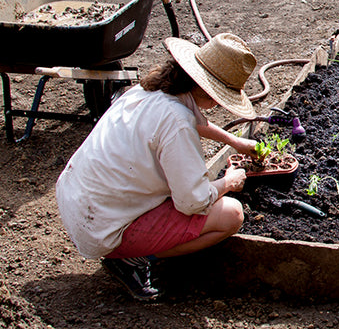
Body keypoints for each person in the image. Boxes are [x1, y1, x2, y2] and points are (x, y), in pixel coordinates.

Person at [56, 33, 261, 301]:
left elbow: (192, 121)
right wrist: (229, 182)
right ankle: (131, 259)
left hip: (78, 200)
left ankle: (132, 248)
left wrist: (234, 141)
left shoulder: (146, 91)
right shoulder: (177, 122)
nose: (216, 104)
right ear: (207, 90)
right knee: (231, 214)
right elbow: (192, 202)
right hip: (103, 226)